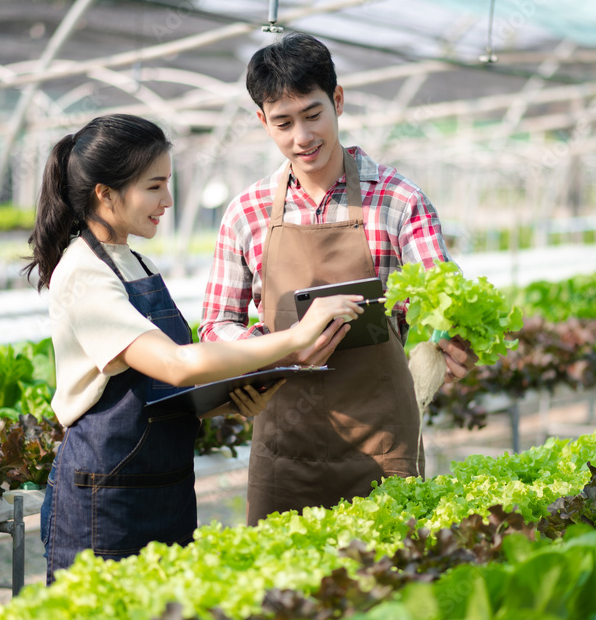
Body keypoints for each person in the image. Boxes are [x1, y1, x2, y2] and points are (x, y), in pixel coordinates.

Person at [25, 114, 366, 584]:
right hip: (106, 498)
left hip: (163, 487)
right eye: (154, 187)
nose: (167, 201)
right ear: (105, 193)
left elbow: (153, 387)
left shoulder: (132, 259)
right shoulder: (84, 272)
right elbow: (176, 364)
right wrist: (294, 338)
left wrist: (227, 401)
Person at [199, 33, 478, 526]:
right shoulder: (247, 212)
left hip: (382, 445)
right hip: (283, 446)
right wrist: (266, 350)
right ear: (262, 121)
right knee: (280, 591)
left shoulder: (397, 201)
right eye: (283, 123)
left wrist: (451, 337)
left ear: (339, 101)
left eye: (313, 114)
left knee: (388, 586)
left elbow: (442, 297)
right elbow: (217, 322)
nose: (302, 137)